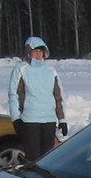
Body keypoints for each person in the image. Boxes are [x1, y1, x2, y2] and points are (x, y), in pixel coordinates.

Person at [7, 35, 66, 163]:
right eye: (35, 51)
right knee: (33, 159)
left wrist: (62, 119)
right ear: (29, 52)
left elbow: (58, 96)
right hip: (30, 120)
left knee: (47, 159)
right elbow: (14, 95)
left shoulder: (50, 71)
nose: (38, 54)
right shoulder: (21, 69)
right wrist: (16, 119)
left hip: (49, 120)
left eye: (41, 51)